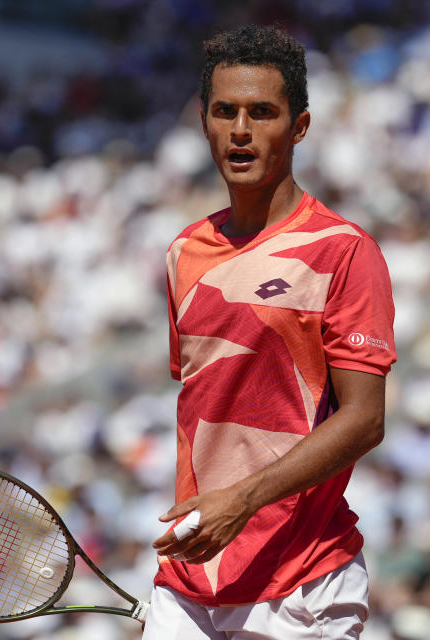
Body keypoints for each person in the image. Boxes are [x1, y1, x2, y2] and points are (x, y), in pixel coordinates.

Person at [145, 24, 397, 639]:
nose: (241, 130)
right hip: (191, 577)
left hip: (303, 581)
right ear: (203, 122)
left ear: (300, 126)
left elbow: (365, 420)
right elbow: (209, 407)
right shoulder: (184, 252)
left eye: (262, 113)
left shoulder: (344, 251)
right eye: (225, 112)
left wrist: (244, 501)